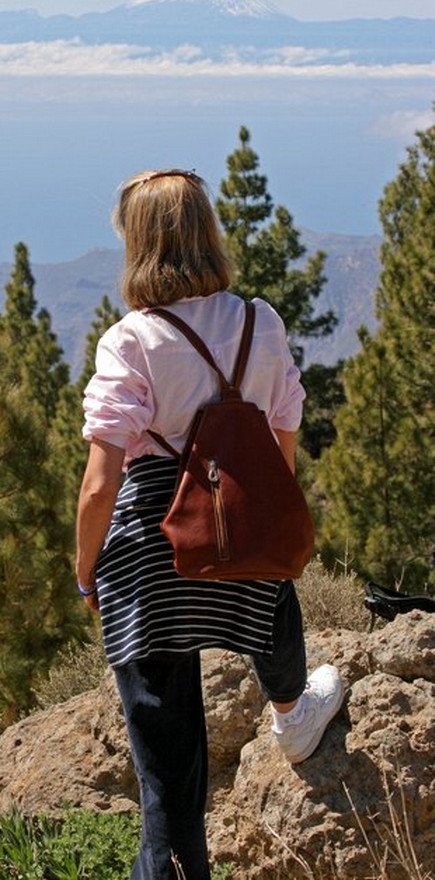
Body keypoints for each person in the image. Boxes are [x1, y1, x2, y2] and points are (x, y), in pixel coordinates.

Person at [75, 169, 345, 880]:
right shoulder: (259, 321)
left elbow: (102, 479)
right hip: (241, 513)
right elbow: (281, 433)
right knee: (271, 598)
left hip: (149, 548)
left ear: (137, 244)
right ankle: (292, 711)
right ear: (206, 233)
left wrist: (86, 568)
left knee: (166, 781)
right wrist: (259, 521)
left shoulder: (130, 340)